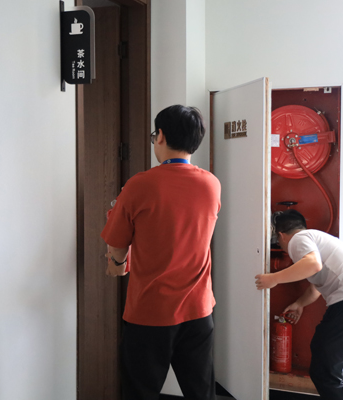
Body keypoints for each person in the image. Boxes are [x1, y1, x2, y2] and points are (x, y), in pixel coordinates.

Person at [101, 105, 221, 400]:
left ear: (161, 136)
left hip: (150, 312)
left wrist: (116, 264)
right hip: (198, 310)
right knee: (201, 392)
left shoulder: (139, 185)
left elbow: (118, 244)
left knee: (140, 392)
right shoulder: (211, 184)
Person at [255, 209, 343, 400]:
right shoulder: (317, 239)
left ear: (281, 235)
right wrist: (299, 304)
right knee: (328, 366)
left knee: (324, 371)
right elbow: (315, 287)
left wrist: (273, 278)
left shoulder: (299, 239)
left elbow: (312, 265)